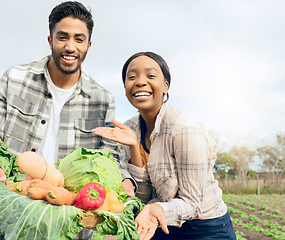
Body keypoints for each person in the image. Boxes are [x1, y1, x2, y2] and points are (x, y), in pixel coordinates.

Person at [0, 2, 134, 239]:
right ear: (50, 40)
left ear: (88, 45)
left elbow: (109, 157)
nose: (70, 47)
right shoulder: (14, 79)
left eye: (79, 39)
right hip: (12, 216)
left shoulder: (102, 99)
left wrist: (125, 179)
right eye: (62, 37)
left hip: (70, 225)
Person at [91, 51, 236, 240]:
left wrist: (155, 209)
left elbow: (193, 204)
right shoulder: (130, 129)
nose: (140, 82)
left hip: (204, 226)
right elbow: (142, 197)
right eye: (132, 77)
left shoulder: (184, 129)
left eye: (151, 76)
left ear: (165, 86)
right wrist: (135, 147)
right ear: (125, 87)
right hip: (160, 221)